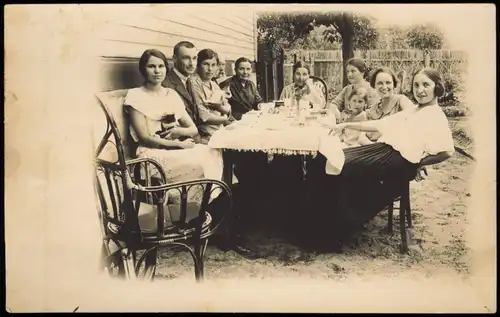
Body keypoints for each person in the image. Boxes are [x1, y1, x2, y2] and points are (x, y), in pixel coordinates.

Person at [308, 67, 455, 252]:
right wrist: (345, 124)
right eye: (416, 85)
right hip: (383, 150)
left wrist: (419, 163)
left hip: (396, 161)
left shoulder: (435, 115)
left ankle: (333, 234)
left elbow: (447, 151)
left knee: (341, 167)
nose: (420, 90)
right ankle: (320, 226)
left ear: (437, 87)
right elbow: (379, 124)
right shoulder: (415, 110)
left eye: (426, 85)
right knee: (328, 159)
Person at [124, 49, 223, 206]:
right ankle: (186, 207)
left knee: (211, 152)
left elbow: (193, 129)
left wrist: (178, 132)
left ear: (166, 68)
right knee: (200, 162)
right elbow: (144, 138)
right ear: (143, 69)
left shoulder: (171, 94)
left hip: (174, 147)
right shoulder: (136, 96)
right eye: (151, 66)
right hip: (150, 152)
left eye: (161, 66)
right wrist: (178, 144)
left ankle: (197, 207)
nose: (157, 71)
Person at [363, 66, 416, 142]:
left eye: (388, 83)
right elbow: (361, 137)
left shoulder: (401, 100)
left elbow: (414, 117)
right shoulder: (372, 109)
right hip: (373, 149)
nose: (384, 87)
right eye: (380, 83)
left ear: (393, 84)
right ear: (374, 86)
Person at [191, 49, 232, 144]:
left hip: (220, 130)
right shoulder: (194, 83)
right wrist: (225, 117)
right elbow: (204, 117)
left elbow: (228, 107)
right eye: (206, 64)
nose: (210, 69)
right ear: (198, 65)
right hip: (206, 134)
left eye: (213, 65)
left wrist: (220, 108)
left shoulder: (214, 84)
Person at [163, 41, 202, 137]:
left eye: (194, 58)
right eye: (186, 58)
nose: (192, 63)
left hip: (198, 134)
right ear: (175, 59)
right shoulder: (166, 85)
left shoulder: (190, 80)